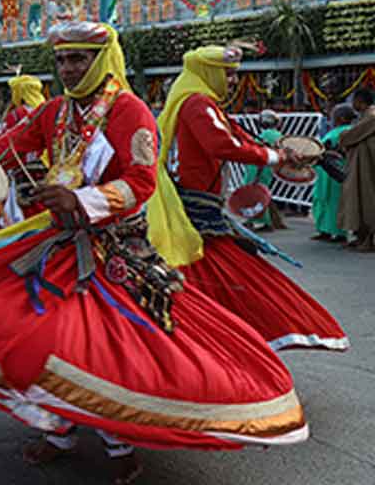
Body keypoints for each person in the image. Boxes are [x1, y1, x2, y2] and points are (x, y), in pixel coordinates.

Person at [0, 23, 307, 482]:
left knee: (106, 349)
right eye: (63, 60)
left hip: (115, 249)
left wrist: (83, 200)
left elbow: (143, 181)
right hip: (57, 241)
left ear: (101, 60)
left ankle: (118, 441)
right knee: (24, 330)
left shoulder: (130, 112)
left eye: (78, 59)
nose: (67, 69)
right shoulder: (54, 112)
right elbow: (7, 147)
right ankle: (58, 432)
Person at [148, 45, 347, 352]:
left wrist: (281, 156)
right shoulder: (198, 104)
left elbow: (236, 140)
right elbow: (221, 145)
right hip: (197, 209)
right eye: (227, 74)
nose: (231, 81)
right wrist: (274, 157)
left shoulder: (204, 104)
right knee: (234, 276)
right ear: (208, 73)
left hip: (203, 206)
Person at [313, 104, 357, 242]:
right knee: (324, 200)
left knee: (334, 203)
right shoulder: (342, 131)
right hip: (327, 172)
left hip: (335, 172)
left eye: (334, 116)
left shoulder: (346, 132)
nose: (332, 118)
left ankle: (338, 233)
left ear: (342, 118)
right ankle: (325, 230)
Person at [339, 88, 375, 251]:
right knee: (359, 201)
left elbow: (348, 137)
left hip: (368, 169)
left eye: (353, 101)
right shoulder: (365, 116)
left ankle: (369, 240)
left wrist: (345, 135)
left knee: (368, 201)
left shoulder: (372, 116)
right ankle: (361, 237)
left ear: (360, 101)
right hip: (360, 167)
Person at [242, 109, 285, 231]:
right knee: (258, 192)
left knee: (256, 192)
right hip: (264, 166)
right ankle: (254, 219)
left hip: (259, 167)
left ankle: (264, 222)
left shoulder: (267, 135)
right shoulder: (276, 135)